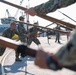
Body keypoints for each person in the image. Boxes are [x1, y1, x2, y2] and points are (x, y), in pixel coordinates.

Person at [23, 0, 76, 71]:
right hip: (30, 38)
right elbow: (28, 31)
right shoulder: (32, 28)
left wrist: (55, 58)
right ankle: (23, 53)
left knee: (38, 44)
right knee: (27, 45)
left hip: (34, 38)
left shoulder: (36, 28)